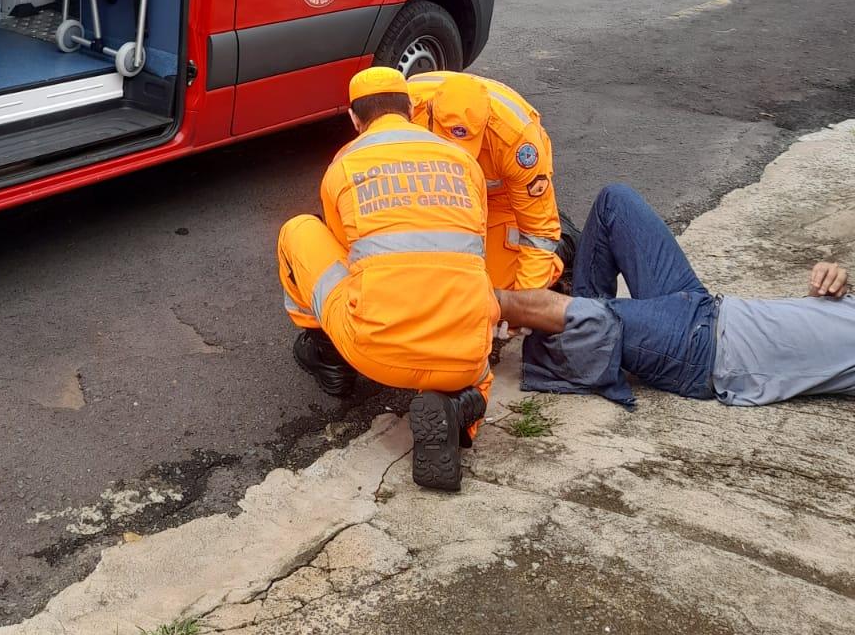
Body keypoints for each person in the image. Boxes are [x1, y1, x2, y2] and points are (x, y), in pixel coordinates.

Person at [278, 67, 499, 490]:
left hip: (376, 352)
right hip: (465, 352)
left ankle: (326, 354)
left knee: (300, 229)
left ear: (353, 118)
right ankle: (461, 408)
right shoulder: (463, 163)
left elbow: (344, 255)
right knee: (470, 287)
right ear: (413, 109)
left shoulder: (345, 165)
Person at [497, 183, 855, 407]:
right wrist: (826, 289)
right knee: (615, 202)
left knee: (540, 307)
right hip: (705, 306)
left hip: (703, 352)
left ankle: (455, 298)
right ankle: (578, 345)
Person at [409, 71, 570, 292]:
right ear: (429, 114)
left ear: (486, 124)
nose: (459, 159)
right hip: (431, 193)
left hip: (500, 200)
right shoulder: (407, 108)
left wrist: (523, 310)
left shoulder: (517, 142)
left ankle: (565, 245)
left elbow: (538, 233)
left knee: (493, 289)